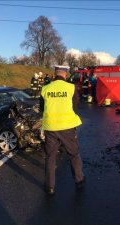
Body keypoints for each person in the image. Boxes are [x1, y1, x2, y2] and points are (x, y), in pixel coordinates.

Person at [40, 65, 85, 195]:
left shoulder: (45, 89)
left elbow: (42, 108)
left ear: (54, 75)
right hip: (67, 128)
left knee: (50, 157)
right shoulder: (71, 88)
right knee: (73, 154)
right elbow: (76, 107)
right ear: (65, 75)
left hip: (51, 128)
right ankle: (79, 180)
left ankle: (50, 187)